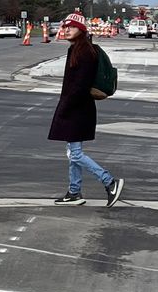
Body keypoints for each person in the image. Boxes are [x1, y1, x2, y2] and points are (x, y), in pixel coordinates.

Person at [49, 13, 125, 207]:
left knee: (75, 154)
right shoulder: (76, 49)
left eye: (71, 27)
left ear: (81, 30)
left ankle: (110, 182)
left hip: (78, 109)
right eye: (65, 27)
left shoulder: (84, 52)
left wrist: (65, 107)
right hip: (78, 107)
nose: (66, 30)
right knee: (74, 152)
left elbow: (80, 86)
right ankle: (74, 192)